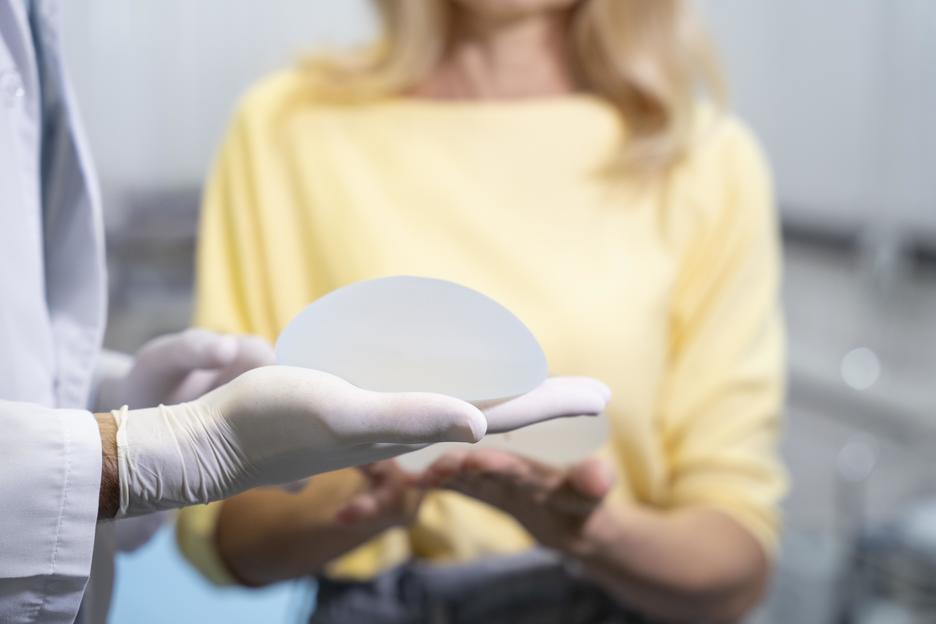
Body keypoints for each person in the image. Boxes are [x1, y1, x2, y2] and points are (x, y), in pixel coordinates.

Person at [177, 0, 788, 622]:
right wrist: (364, 494)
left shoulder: (700, 157)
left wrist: (595, 535)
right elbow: (227, 523)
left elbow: (736, 556)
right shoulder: (287, 127)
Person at [0, 2, 605, 622]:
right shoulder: (287, 124)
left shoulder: (668, 145)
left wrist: (100, 402)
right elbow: (235, 537)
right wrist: (141, 453)